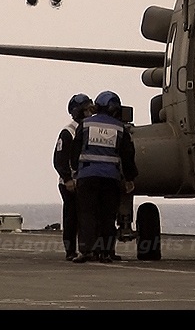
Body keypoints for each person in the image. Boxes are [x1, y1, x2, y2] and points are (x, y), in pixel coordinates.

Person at [70, 90, 137, 264]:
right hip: (111, 178)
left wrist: (75, 172)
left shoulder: (84, 124)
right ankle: (106, 252)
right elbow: (128, 155)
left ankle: (85, 251)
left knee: (87, 215)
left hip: (87, 177)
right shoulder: (120, 128)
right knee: (108, 216)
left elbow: (75, 151)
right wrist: (129, 178)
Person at [53, 93, 93, 261]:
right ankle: (70, 250)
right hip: (70, 182)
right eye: (87, 109)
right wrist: (67, 178)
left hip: (84, 180)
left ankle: (87, 249)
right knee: (71, 217)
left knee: (85, 216)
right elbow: (59, 158)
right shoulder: (68, 132)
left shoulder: (90, 129)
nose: (90, 112)